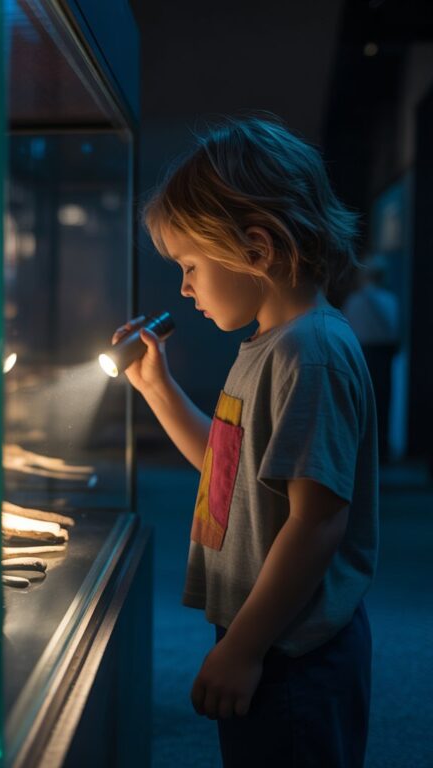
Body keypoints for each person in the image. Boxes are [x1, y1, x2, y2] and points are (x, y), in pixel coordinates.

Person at [119, 116, 378, 767]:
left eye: (189, 266)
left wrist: (244, 649)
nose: (183, 287)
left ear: (256, 250)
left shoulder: (310, 355)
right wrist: (159, 392)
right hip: (264, 629)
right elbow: (227, 468)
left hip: (292, 647)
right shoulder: (267, 344)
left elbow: (318, 522)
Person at [342, 254, 400, 462]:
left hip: (362, 353)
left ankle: (362, 448)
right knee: (384, 402)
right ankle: (382, 448)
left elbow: (348, 330)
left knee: (362, 402)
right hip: (383, 355)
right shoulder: (390, 300)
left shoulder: (355, 301)